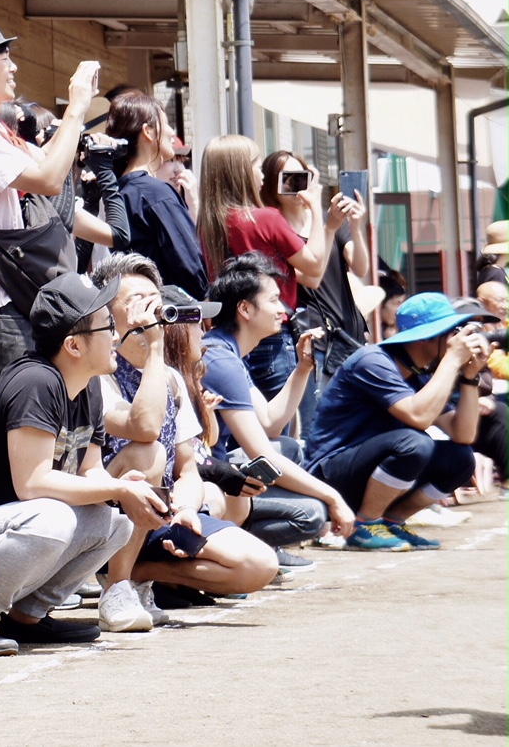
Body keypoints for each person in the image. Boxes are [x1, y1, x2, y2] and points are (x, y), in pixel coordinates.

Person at [0, 273, 154, 656]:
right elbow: (32, 484)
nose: (117, 335)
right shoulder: (36, 381)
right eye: (107, 327)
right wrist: (118, 488)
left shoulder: (88, 389)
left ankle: (27, 618)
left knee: (112, 524)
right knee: (53, 516)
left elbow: (91, 473)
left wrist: (130, 491)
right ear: (73, 345)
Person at [89, 258, 279, 628]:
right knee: (149, 452)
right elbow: (142, 428)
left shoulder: (172, 379)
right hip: (104, 509)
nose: (151, 310)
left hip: (158, 511)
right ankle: (116, 584)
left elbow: (188, 468)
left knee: (259, 566)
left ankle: (140, 572)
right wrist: (156, 347)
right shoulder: (98, 374)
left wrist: (187, 509)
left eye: (153, 299)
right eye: (137, 300)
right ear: (107, 313)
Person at [0, 16, 104, 400]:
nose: (14, 67)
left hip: (11, 299)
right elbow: (48, 178)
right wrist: (76, 108)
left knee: (33, 428)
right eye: (4, 59)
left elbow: (53, 169)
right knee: (13, 434)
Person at [199, 253, 356, 566]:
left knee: (286, 447)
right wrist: (332, 496)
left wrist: (302, 368)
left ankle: (249, 543)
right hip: (207, 480)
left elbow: (269, 423)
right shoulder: (221, 360)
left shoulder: (226, 350)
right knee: (312, 514)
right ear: (245, 308)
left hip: (216, 472)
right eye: (273, 300)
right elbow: (261, 453)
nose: (282, 309)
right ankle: (250, 550)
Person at [306, 294, 490, 551]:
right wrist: (451, 360)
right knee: (416, 443)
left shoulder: (418, 375)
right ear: (428, 335)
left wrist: (470, 377)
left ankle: (391, 521)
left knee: (460, 458)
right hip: (330, 475)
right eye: (451, 332)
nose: (456, 339)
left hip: (369, 474)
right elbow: (419, 417)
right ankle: (364, 526)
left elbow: (464, 434)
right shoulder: (373, 361)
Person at [196, 136, 360, 401]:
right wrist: (317, 209)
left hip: (228, 336)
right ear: (241, 173)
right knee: (283, 428)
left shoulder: (209, 224)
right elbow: (316, 266)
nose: (261, 173)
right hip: (271, 335)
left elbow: (312, 277)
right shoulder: (266, 219)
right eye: (256, 165)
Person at [106, 90, 206, 298]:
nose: (171, 132)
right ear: (148, 132)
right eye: (166, 123)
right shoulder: (155, 193)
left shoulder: (116, 191)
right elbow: (192, 268)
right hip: (171, 314)